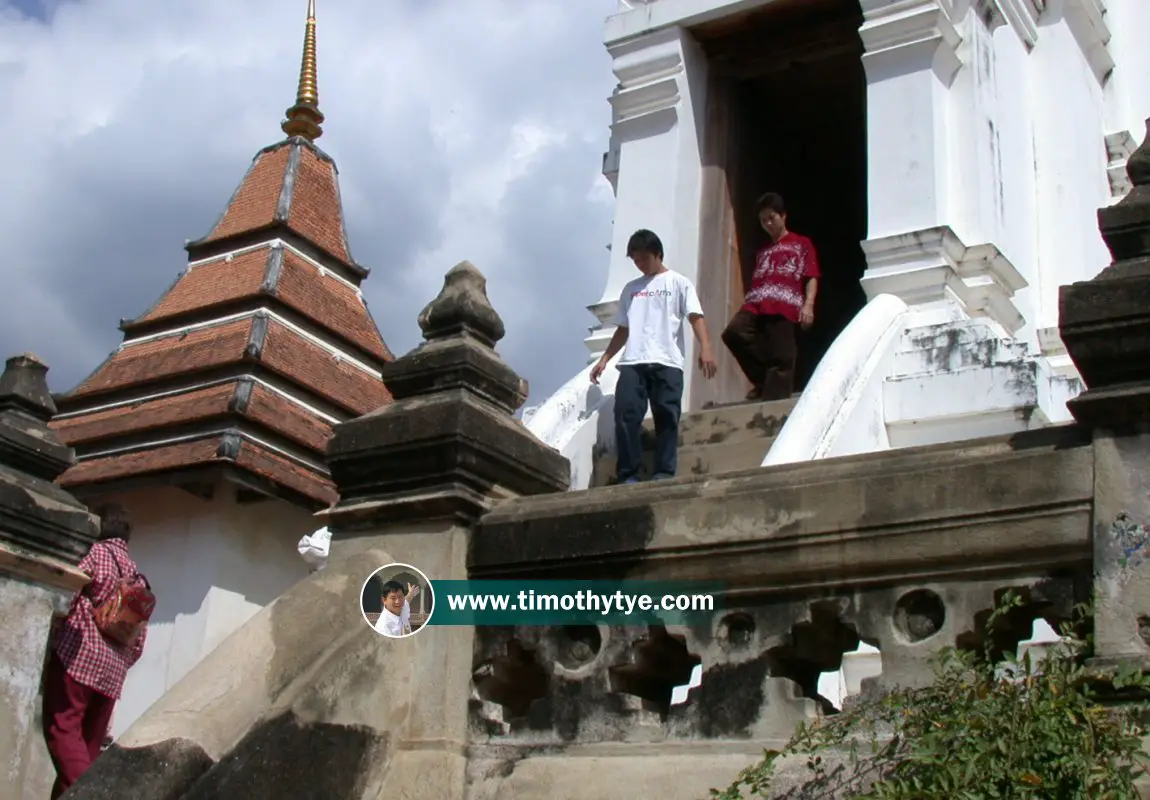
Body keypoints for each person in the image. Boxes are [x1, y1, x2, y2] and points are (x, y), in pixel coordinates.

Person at [590, 229, 717, 484]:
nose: (640, 265)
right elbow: (623, 328)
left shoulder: (679, 283)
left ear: (658, 254)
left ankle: (664, 472)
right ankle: (629, 473)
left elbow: (695, 317)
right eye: (635, 260)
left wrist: (706, 347)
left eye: (644, 259)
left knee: (667, 416)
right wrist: (605, 357)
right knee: (626, 413)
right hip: (633, 362)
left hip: (667, 361)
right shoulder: (631, 289)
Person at [42, 503, 149, 799]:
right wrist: (121, 663)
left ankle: (94, 795)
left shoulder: (96, 554)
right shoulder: (137, 575)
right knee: (87, 747)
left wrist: (53, 634)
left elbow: (68, 593)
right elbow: (139, 638)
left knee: (61, 729)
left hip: (80, 656)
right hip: (113, 671)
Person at [721, 192, 821, 401]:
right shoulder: (763, 251)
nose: (768, 223)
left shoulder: (801, 244)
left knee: (781, 354)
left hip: (785, 303)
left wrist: (808, 305)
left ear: (783, 216)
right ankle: (763, 380)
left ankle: (774, 401)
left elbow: (811, 275)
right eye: (763, 220)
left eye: (771, 218)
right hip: (756, 303)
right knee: (734, 333)